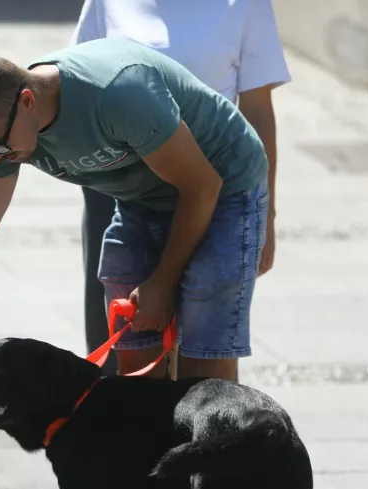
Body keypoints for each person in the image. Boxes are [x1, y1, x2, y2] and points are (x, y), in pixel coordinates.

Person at [0, 36, 270, 391]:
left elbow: (202, 187)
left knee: (203, 361)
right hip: (144, 199)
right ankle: (150, 475)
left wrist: (162, 282)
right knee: (136, 362)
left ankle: (217, 470)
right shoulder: (5, 134)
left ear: (27, 100)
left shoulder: (118, 93)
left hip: (223, 185)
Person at [71, 0, 291, 377]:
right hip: (126, 197)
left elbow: (257, 113)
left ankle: (210, 437)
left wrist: (266, 216)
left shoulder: (244, 4)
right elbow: (79, 83)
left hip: (219, 199)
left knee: (208, 361)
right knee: (130, 356)